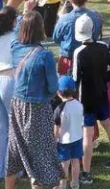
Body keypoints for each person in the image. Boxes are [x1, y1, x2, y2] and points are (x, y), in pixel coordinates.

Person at [7, 10, 63, 189]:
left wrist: (24, 13)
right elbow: (54, 87)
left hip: (16, 105)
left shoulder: (15, 47)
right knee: (41, 152)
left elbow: (17, 30)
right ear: (41, 29)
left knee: (16, 148)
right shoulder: (44, 55)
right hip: (37, 108)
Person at [72, 15, 110, 181]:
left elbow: (76, 78)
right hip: (102, 93)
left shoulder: (78, 52)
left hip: (86, 98)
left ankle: (86, 172)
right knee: (107, 124)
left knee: (87, 134)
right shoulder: (103, 46)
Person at [52, 0, 102, 76]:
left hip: (68, 59)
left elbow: (56, 38)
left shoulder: (64, 19)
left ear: (71, 0)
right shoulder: (96, 16)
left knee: (67, 88)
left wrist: (60, 18)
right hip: (91, 58)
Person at [53, 75, 83, 189]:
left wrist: (54, 141)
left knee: (64, 164)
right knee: (75, 162)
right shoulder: (80, 105)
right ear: (74, 90)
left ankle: (62, 185)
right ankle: (75, 183)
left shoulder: (59, 109)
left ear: (58, 92)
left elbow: (57, 130)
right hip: (78, 138)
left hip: (64, 142)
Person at [0, 7, 18, 179]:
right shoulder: (14, 38)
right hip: (8, 81)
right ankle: (14, 169)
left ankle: (2, 168)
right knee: (14, 127)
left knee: (2, 128)